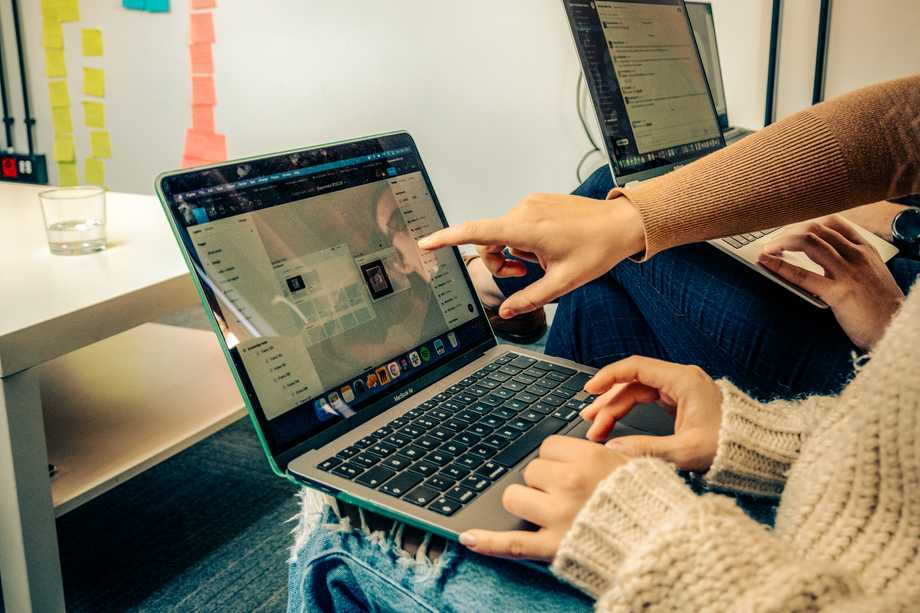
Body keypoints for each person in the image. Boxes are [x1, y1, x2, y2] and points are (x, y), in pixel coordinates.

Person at [288, 75, 920, 611]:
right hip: (854, 477)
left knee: (341, 525)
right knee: (601, 270)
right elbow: (904, 126)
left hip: (773, 576)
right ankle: (518, 357)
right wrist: (754, 433)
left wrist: (645, 530)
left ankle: (486, 299)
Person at [468, 167, 919, 402]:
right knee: (594, 296)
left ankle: (500, 287)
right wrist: (896, 220)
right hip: (893, 290)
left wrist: (895, 329)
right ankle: (553, 459)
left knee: (621, 193)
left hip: (884, 364)